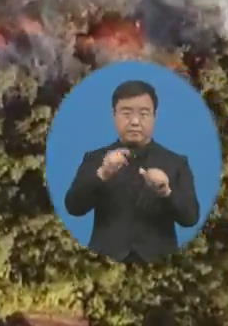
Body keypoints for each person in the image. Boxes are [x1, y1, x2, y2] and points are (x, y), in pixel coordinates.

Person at [64, 79, 200, 262]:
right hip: (104, 261)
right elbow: (74, 207)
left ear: (154, 116)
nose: (135, 121)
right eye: (126, 113)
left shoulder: (176, 163)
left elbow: (190, 218)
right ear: (114, 115)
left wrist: (166, 192)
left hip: (159, 262)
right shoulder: (95, 159)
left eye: (144, 114)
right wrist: (102, 174)